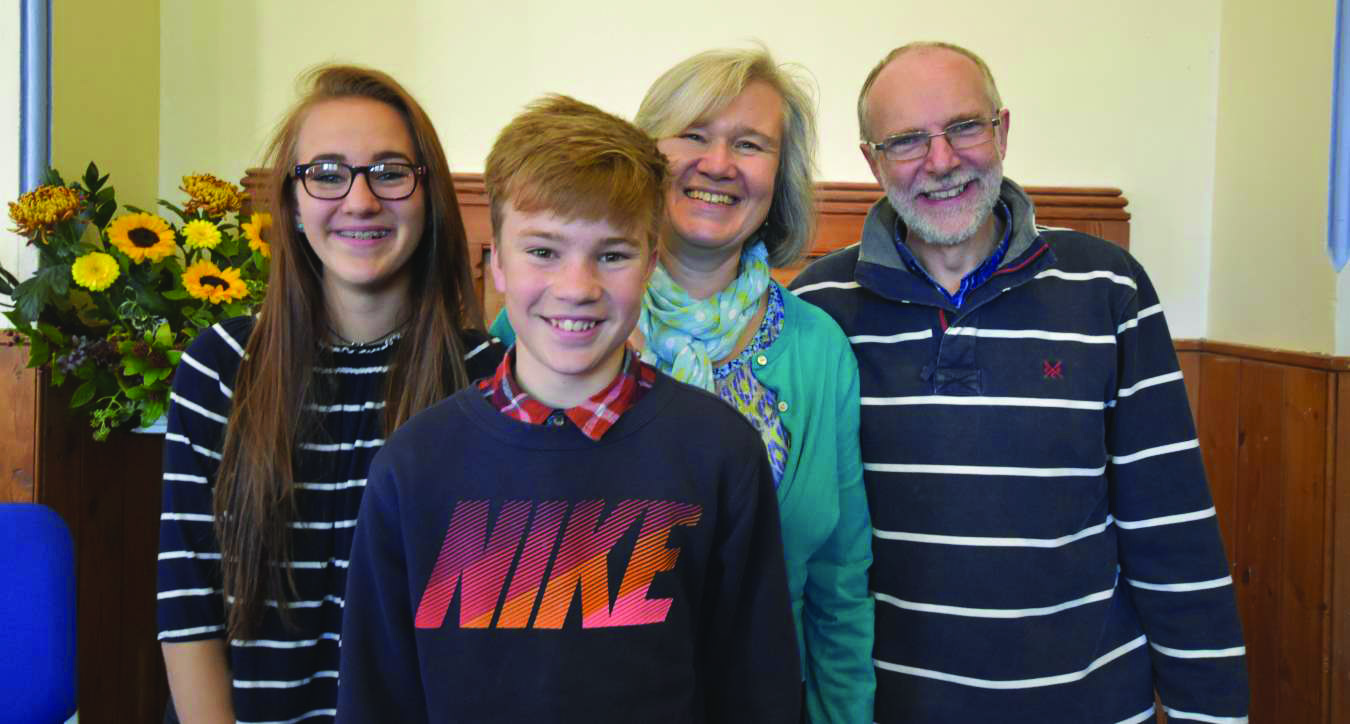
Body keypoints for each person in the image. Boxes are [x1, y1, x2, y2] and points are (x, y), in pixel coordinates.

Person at [791, 42, 1249, 723]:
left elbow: (1171, 526)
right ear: (872, 161)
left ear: (1002, 131)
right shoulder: (818, 310)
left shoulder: (1108, 288)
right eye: (907, 140)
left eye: (965, 127)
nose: (941, 161)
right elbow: (810, 555)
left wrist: (1211, 714)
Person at [336, 96, 802, 723]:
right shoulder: (414, 465)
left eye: (612, 255)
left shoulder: (720, 452)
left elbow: (757, 692)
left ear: (651, 263)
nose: (578, 288)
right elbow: (376, 697)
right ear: (497, 261)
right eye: (544, 252)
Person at [491, 48, 875, 722]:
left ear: (778, 176)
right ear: (644, 156)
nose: (719, 163)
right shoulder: (550, 320)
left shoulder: (819, 348)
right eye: (694, 134)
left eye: (750, 144)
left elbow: (840, 586)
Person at [156, 65, 504, 724]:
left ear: (428, 196)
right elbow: (187, 606)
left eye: (391, 171)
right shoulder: (219, 367)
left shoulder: (485, 381)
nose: (361, 200)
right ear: (290, 201)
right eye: (327, 173)